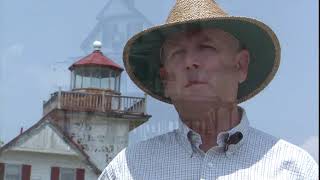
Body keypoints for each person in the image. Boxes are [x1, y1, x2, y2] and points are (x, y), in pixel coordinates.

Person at [98, 0, 318, 179]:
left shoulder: (294, 169)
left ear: (240, 66)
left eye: (206, 47)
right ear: (165, 80)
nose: (190, 61)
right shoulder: (127, 169)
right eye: (177, 53)